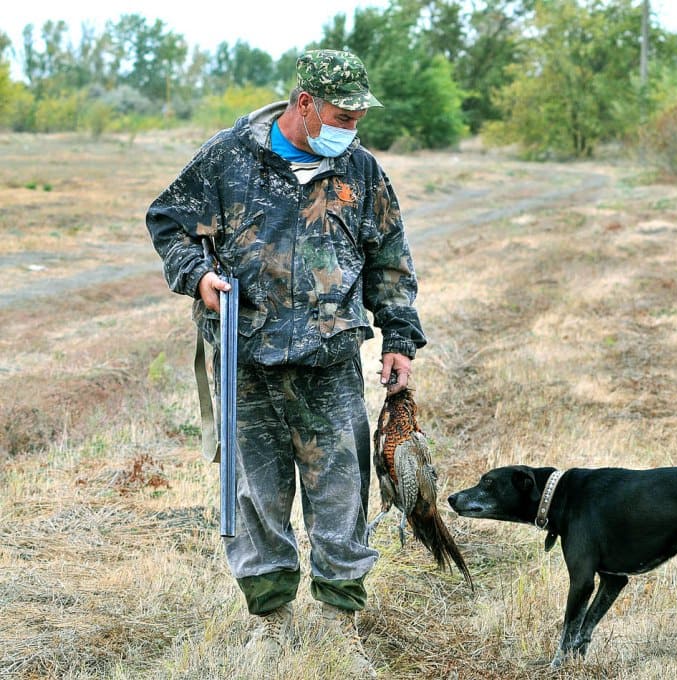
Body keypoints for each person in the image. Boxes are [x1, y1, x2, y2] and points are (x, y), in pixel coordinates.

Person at [145, 48, 426, 674]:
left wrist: (400, 339)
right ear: (305, 104)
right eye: (342, 115)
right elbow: (168, 221)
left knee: (340, 499)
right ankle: (270, 621)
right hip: (246, 360)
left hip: (328, 367)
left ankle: (338, 618)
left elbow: (390, 262)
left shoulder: (362, 172)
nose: (351, 128)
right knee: (257, 499)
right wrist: (197, 277)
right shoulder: (230, 157)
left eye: (358, 117)